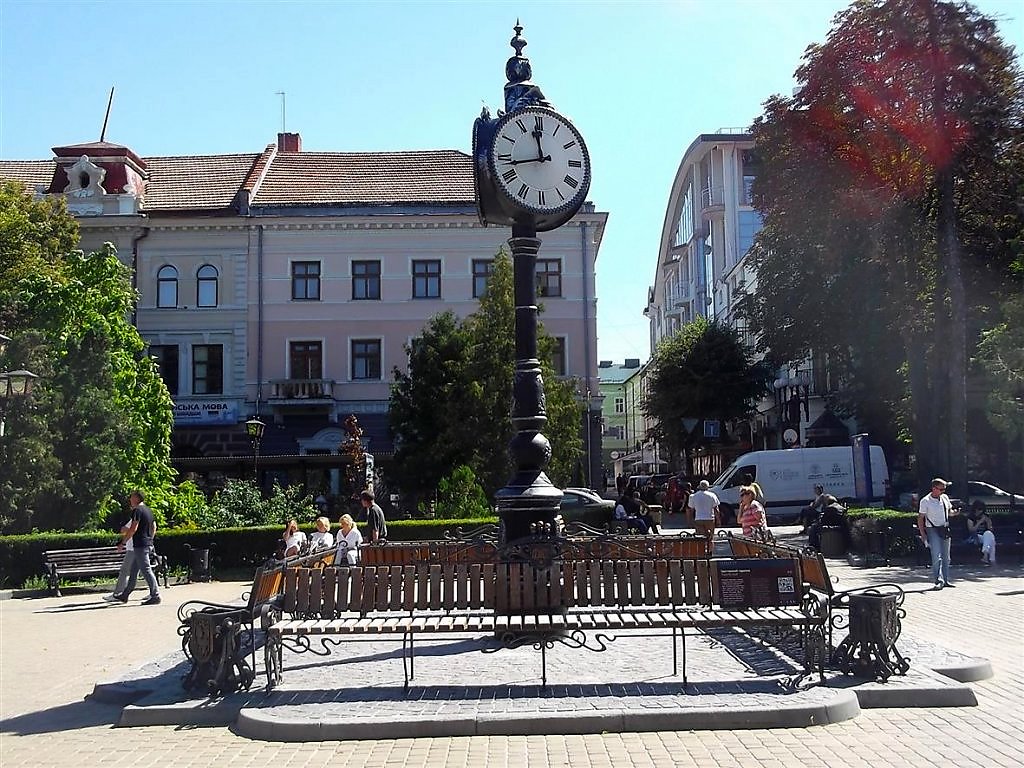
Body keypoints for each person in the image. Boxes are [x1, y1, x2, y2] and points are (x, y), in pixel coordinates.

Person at [113, 491, 161, 605]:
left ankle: (155, 595)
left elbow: (133, 528)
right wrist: (150, 539)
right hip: (145, 544)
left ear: (136, 498)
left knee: (146, 569)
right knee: (134, 571)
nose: (130, 499)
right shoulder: (148, 510)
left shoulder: (137, 510)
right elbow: (154, 526)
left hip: (140, 545)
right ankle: (125, 595)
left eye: (131, 497)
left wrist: (122, 542)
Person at [918, 477, 955, 589]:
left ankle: (946, 579)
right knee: (936, 555)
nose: (943, 491)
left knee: (946, 556)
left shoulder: (944, 498)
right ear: (934, 488)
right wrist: (923, 534)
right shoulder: (925, 501)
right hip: (932, 529)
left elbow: (949, 512)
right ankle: (938, 580)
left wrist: (955, 513)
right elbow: (920, 518)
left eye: (944, 489)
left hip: (944, 528)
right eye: (941, 489)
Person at [103, 512, 136, 602]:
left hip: (132, 549)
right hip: (138, 548)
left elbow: (125, 530)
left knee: (124, 571)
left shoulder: (136, 517)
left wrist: (122, 542)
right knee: (145, 571)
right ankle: (154, 592)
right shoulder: (146, 516)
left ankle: (118, 593)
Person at [965, 500, 997, 566]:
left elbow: (990, 529)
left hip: (985, 536)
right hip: (975, 537)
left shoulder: (985, 516)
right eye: (978, 509)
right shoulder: (971, 517)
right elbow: (971, 530)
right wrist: (980, 522)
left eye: (981, 510)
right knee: (991, 540)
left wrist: (988, 522)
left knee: (988, 534)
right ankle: (992, 560)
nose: (979, 511)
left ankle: (985, 555)